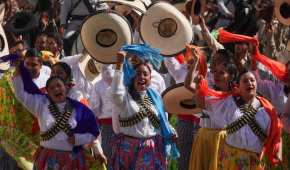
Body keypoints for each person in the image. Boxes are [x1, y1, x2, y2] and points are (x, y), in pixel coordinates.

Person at [187, 64, 282, 169]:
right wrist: (199, 86)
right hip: (229, 161)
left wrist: (278, 152)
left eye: (252, 80)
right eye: (245, 81)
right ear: (239, 86)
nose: (250, 83)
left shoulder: (267, 110)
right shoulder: (228, 102)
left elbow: (276, 135)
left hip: (254, 162)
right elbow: (201, 103)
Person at [12, 61, 100, 169]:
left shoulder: (78, 103)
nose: (55, 76)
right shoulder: (42, 102)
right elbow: (20, 94)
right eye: (53, 73)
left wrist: (82, 141)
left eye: (59, 73)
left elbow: (92, 131)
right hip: (48, 158)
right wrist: (18, 68)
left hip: (72, 160)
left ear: (67, 81)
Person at [109, 44, 179, 169]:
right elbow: (115, 93)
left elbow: (162, 121)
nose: (141, 77)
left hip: (151, 149)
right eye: (138, 74)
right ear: (132, 77)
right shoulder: (125, 96)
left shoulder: (155, 97)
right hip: (128, 150)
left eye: (145, 74)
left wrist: (171, 131)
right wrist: (119, 66)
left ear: (150, 78)